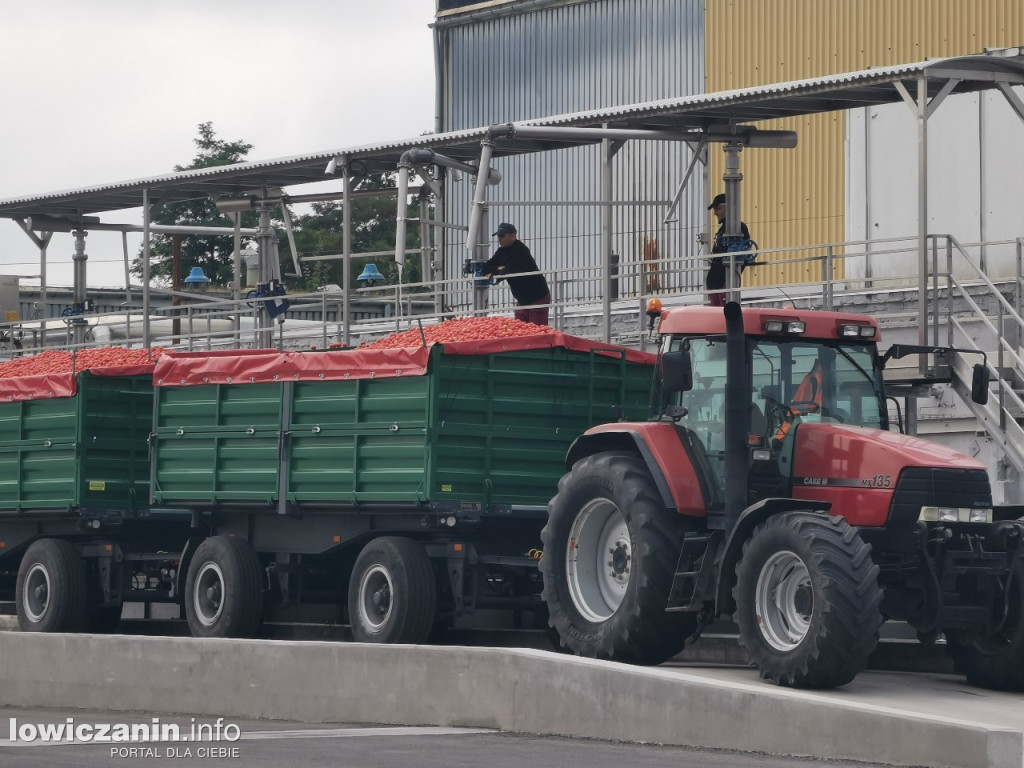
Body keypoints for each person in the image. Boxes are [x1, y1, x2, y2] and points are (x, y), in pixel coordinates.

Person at [482, 222, 551, 326]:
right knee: (520, 327)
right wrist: (498, 269)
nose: (499, 239)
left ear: (513, 235)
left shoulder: (521, 250)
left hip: (537, 296)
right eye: (498, 236)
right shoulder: (501, 251)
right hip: (522, 298)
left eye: (502, 236)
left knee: (536, 331)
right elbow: (486, 267)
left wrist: (496, 270)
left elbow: (510, 270)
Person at [705, 193, 754, 307]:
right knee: (718, 316)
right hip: (717, 282)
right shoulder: (724, 229)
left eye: (717, 208)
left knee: (722, 315)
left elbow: (744, 254)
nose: (715, 213)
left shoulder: (738, 227)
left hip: (723, 282)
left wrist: (730, 279)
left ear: (728, 208)